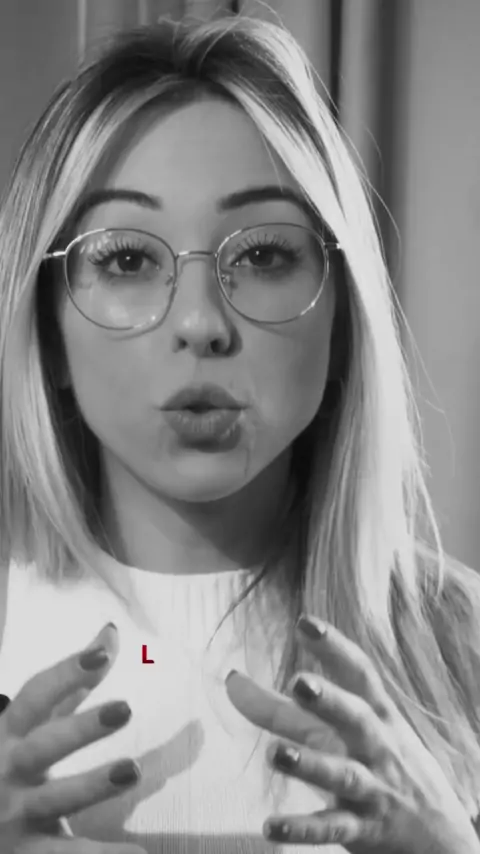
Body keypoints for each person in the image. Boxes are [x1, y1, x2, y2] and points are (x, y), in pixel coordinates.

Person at [0, 13, 480, 854]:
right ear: (47, 328)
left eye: (260, 255)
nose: (200, 324)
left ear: (342, 315)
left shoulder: (460, 642)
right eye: (126, 259)